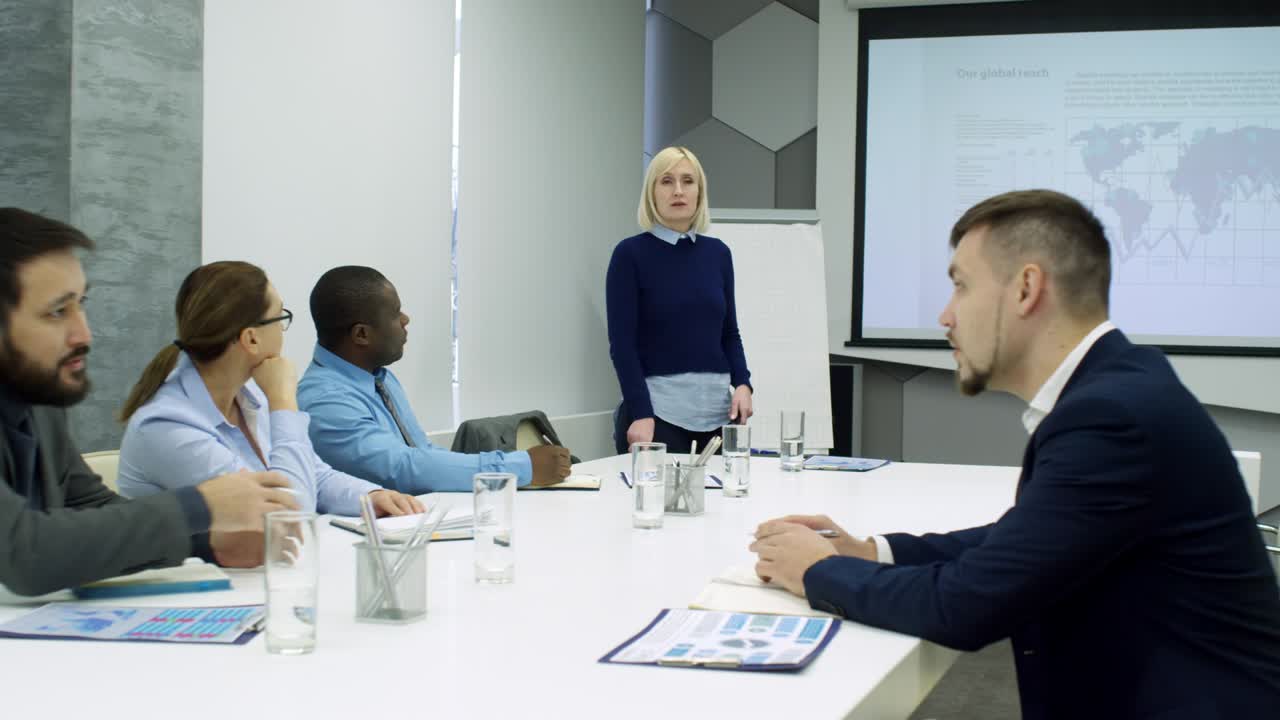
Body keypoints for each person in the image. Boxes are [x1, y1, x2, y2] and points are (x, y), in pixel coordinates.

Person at [749, 190, 1280, 717]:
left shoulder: (1113, 418)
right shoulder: (1121, 386)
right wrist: (870, 552)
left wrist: (817, 571)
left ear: (1026, 289)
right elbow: (1025, 540)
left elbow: (966, 605)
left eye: (960, 287)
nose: (945, 316)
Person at [0, 209, 298, 595]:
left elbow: (90, 507)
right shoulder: (166, 420)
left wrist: (205, 545)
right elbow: (26, 554)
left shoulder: (36, 402)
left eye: (81, 304)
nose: (84, 333)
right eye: (58, 311)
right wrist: (200, 507)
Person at [117, 261, 421, 566]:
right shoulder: (168, 426)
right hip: (190, 597)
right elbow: (287, 515)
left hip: (260, 573)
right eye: (280, 317)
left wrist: (369, 496)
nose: (282, 330)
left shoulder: (246, 396)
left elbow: (315, 474)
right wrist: (283, 401)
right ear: (251, 338)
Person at [297, 266, 570, 492]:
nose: (406, 319)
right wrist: (518, 468)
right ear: (361, 335)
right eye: (395, 313)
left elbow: (422, 452)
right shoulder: (325, 401)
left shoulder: (379, 378)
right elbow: (403, 469)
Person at [606, 146, 753, 455]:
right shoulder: (629, 255)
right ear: (652, 193)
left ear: (700, 192)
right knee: (655, 504)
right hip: (657, 418)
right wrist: (641, 412)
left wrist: (743, 384)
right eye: (666, 181)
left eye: (688, 181)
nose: (678, 190)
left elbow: (729, 333)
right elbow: (622, 345)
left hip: (718, 419)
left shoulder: (719, 254)